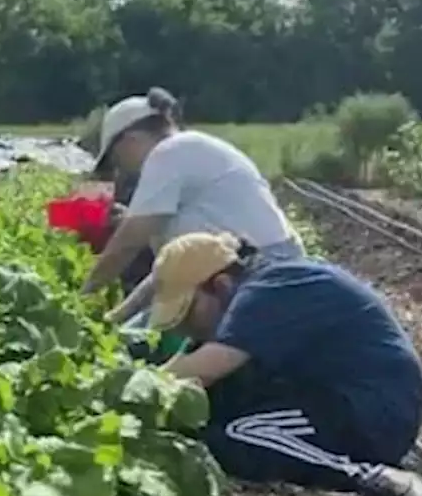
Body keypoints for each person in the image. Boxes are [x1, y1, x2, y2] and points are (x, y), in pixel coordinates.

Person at [146, 231, 422, 496]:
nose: (184, 328)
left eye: (187, 314)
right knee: (214, 414)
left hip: (373, 412)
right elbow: (187, 364)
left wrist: (130, 391)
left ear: (221, 285)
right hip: (331, 395)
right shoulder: (260, 286)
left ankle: (372, 477)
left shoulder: (267, 292)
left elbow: (203, 371)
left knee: (237, 435)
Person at [80, 87, 304, 327]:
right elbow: (168, 272)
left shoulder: (167, 153)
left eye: (116, 158)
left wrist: (82, 299)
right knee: (137, 338)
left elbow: (127, 244)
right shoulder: (191, 149)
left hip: (258, 273)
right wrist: (116, 319)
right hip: (263, 268)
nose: (120, 168)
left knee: (154, 344)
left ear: (129, 141)